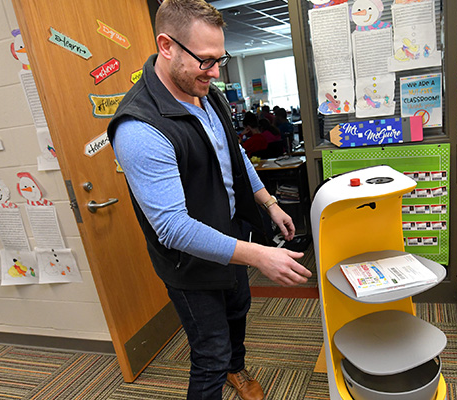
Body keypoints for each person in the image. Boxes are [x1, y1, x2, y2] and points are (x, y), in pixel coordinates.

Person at [106, 1, 311, 399]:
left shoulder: (205, 91)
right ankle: (223, 369)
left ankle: (238, 369)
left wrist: (268, 202)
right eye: (206, 60)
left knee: (238, 313)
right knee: (210, 354)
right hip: (190, 263)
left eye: (220, 59)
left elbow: (234, 155)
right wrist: (259, 256)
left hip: (231, 238)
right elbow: (172, 228)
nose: (216, 72)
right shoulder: (139, 127)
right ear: (167, 46)